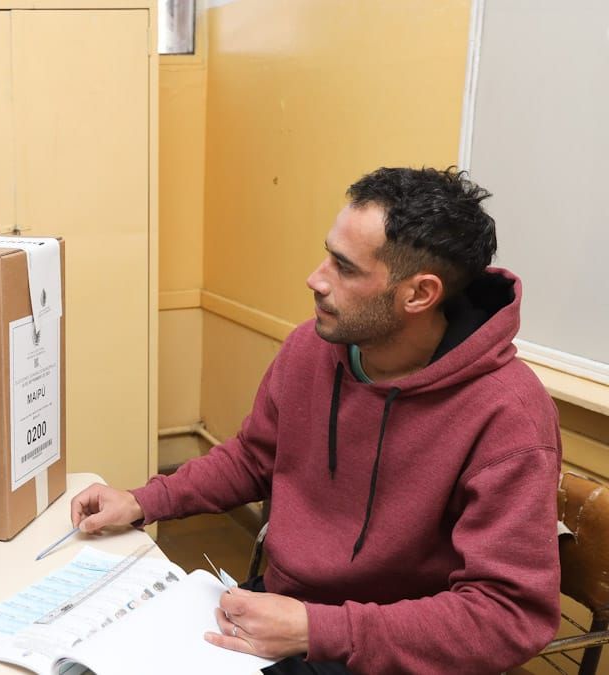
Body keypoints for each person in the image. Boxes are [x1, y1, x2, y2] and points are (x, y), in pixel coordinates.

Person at [71, 167, 561, 673]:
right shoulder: (313, 345)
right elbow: (254, 457)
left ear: (419, 294)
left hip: (389, 652)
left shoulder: (509, 415)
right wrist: (143, 500)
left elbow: (509, 615)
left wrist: (318, 628)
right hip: (287, 616)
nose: (316, 278)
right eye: (328, 253)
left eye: (345, 268)